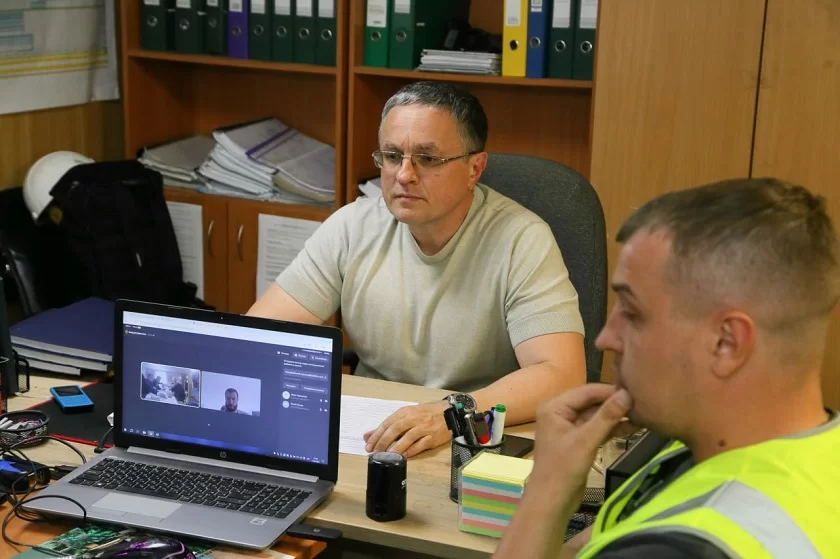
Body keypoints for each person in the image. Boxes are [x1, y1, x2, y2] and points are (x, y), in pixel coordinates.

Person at [496, 178, 840, 558]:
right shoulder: (718, 446)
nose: (605, 339)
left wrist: (545, 493)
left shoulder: (682, 546)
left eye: (632, 313)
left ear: (726, 343)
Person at [248, 81, 586, 458]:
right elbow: (257, 337)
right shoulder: (351, 227)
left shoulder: (522, 240)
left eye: (427, 158)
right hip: (371, 436)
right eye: (393, 156)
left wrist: (451, 414)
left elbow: (562, 375)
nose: (404, 175)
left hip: (472, 440)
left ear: (474, 168)